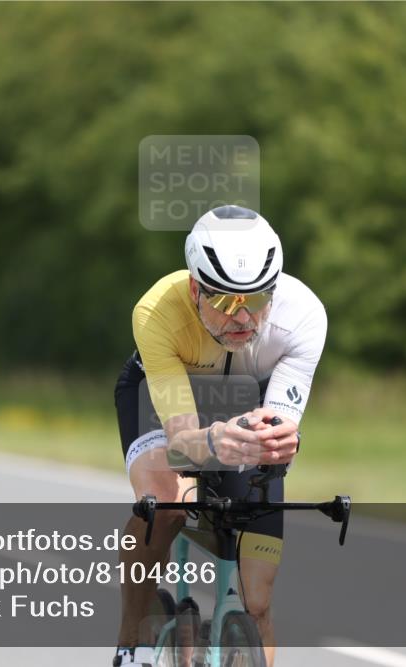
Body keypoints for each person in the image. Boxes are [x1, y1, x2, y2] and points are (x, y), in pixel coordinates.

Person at [113, 205, 327, 667]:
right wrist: (211, 443)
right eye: (228, 302)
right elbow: (181, 440)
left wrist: (280, 443)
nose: (244, 318)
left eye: (257, 299)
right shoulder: (157, 313)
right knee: (165, 503)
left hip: (247, 402)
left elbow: (278, 426)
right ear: (195, 288)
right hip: (165, 398)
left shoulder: (304, 315)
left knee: (258, 600)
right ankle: (132, 644)